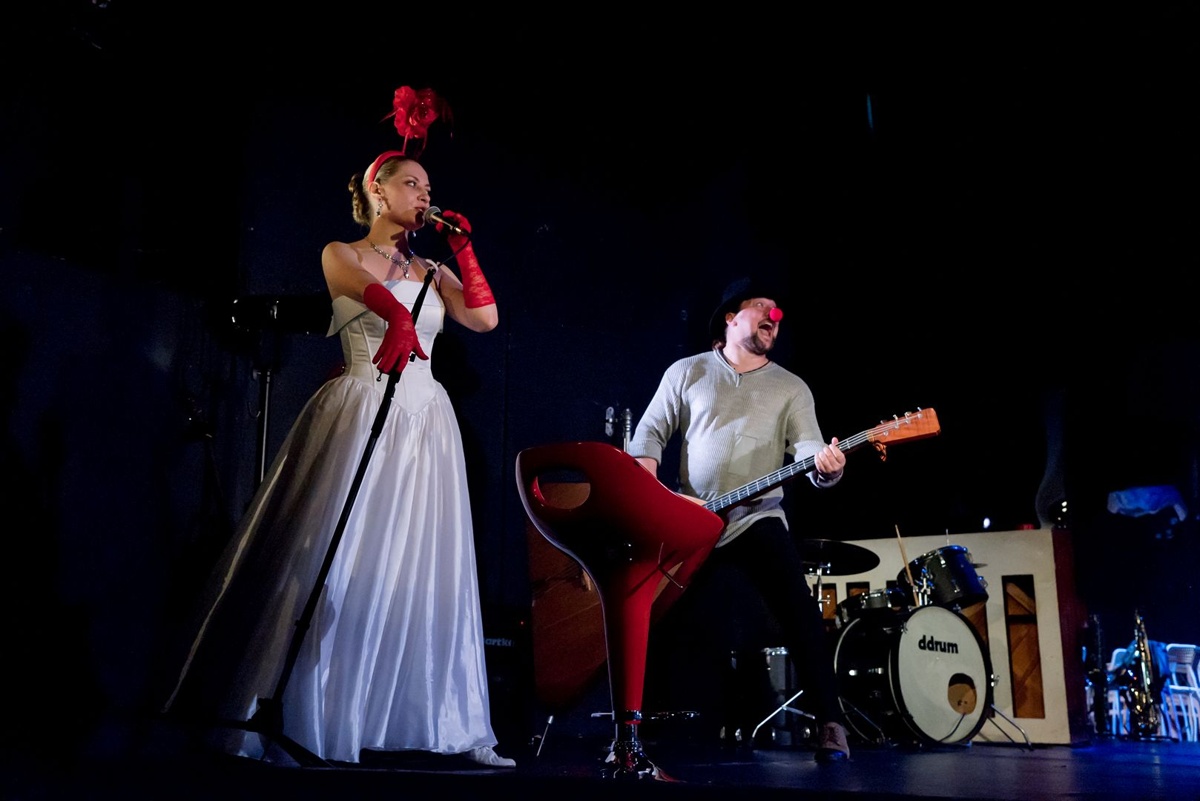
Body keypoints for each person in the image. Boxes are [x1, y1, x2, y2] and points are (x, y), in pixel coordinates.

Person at [161, 145, 516, 768]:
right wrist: (397, 317)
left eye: (428, 187)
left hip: (425, 421)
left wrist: (464, 252)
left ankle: (442, 722)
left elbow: (483, 319)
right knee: (343, 556)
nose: (425, 195)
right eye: (412, 184)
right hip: (364, 404)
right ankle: (316, 714)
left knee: (421, 564)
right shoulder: (342, 253)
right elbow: (370, 295)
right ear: (378, 191)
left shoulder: (432, 269)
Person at [627, 277, 851, 764]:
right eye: (761, 307)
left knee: (799, 610)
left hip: (757, 517)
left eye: (777, 311)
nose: (774, 316)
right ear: (730, 317)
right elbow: (648, 436)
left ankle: (831, 723)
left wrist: (827, 468)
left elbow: (809, 448)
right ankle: (637, 729)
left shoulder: (791, 387)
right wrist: (656, 501)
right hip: (692, 520)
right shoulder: (687, 371)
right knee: (659, 615)